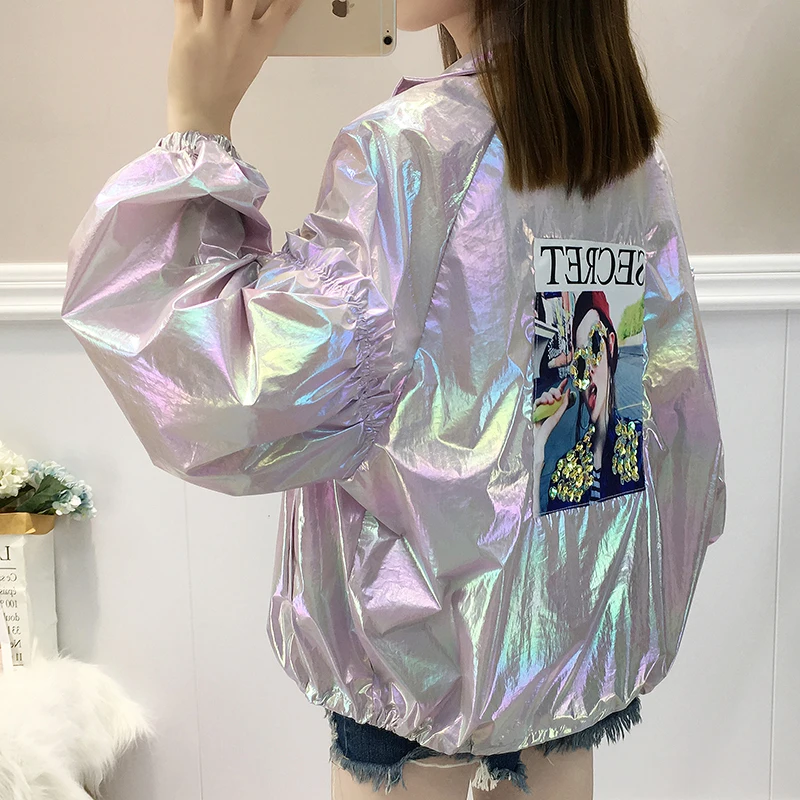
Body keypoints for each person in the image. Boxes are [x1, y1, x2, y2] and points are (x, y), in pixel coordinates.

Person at [61, 0, 727, 797]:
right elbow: (662, 420)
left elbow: (231, 395)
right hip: (568, 637)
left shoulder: (412, 147)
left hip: (413, 655)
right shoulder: (625, 155)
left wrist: (196, 127)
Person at [532, 291, 646, 517]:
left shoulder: (642, 448)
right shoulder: (564, 477)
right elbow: (541, 537)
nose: (589, 371)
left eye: (594, 347)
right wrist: (538, 448)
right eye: (580, 362)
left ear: (610, 345)